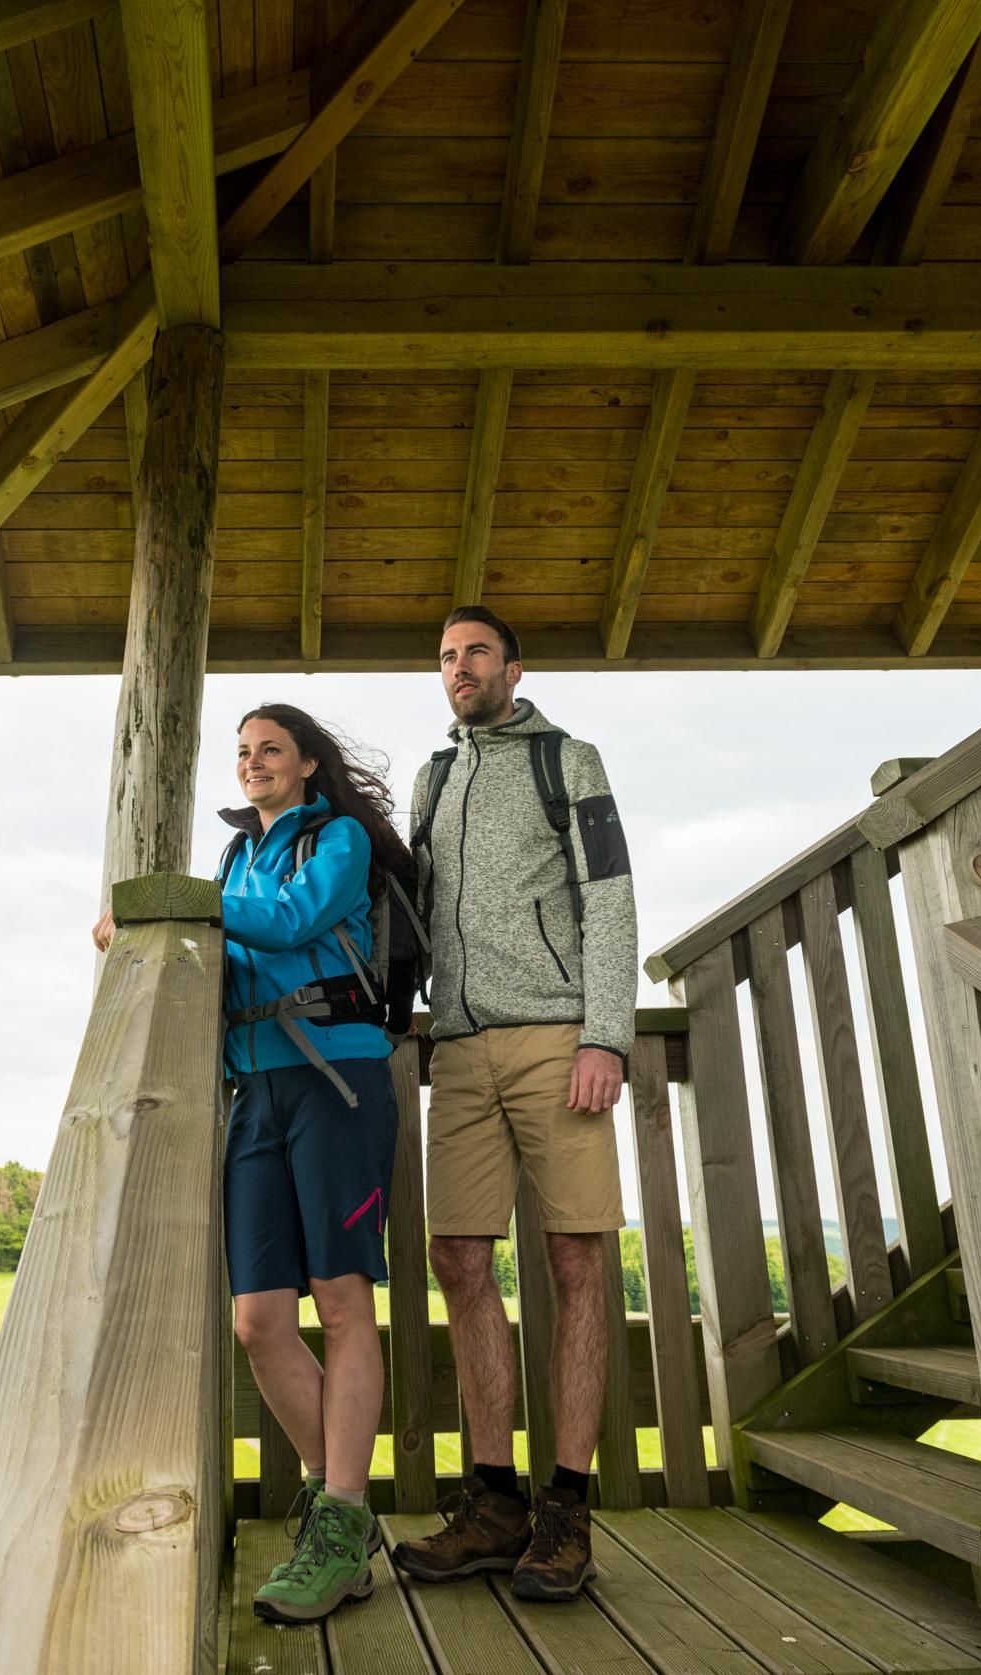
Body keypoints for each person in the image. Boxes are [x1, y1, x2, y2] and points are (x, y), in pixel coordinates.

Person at [92, 704, 410, 1625]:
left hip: (338, 1080)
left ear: (308, 762)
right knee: (259, 1320)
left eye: (270, 748)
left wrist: (168, 899)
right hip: (254, 1092)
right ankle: (340, 1511)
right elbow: (224, 957)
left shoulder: (338, 838)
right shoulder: (236, 860)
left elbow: (291, 920)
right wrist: (149, 936)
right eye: (242, 752)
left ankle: (337, 1519)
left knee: (341, 1301)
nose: (252, 761)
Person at [390, 606, 637, 1603]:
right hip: (456, 1046)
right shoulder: (432, 778)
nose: (460, 668)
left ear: (513, 668)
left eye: (476, 653)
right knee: (457, 1257)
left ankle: (566, 1512)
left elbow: (609, 894)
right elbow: (409, 906)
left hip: (556, 1038)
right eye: (447, 657)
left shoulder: (568, 761)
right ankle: (494, 1507)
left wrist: (605, 1033)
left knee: (576, 1258)